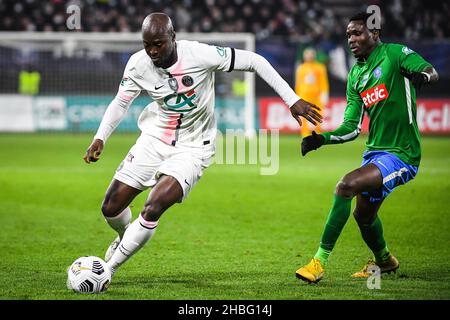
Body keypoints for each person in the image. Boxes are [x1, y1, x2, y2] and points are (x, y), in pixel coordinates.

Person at [83, 13, 322, 279]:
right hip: (154, 138)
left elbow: (255, 61)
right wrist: (100, 137)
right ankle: (123, 236)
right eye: (147, 44)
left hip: (194, 147)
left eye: (158, 44)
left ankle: (108, 270)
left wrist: (291, 99)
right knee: (110, 207)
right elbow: (121, 102)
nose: (152, 51)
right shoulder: (138, 64)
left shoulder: (199, 55)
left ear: (173, 38)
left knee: (154, 205)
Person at [295, 12, 438, 283]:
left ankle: (318, 262)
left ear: (375, 33)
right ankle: (385, 261)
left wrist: (423, 78)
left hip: (401, 153)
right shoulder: (356, 76)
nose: (351, 39)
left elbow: (431, 71)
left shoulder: (395, 54)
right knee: (364, 215)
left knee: (346, 185)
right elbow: (351, 127)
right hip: (375, 152)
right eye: (348, 34)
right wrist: (321, 139)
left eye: (357, 33)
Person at [294, 48, 329, 136]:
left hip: (317, 95)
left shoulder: (320, 67)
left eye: (311, 54)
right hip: (304, 95)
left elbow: (323, 82)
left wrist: (324, 93)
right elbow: (298, 83)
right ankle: (305, 133)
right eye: (307, 55)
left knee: (318, 114)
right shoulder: (301, 68)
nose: (309, 56)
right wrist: (296, 96)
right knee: (303, 114)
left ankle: (318, 132)